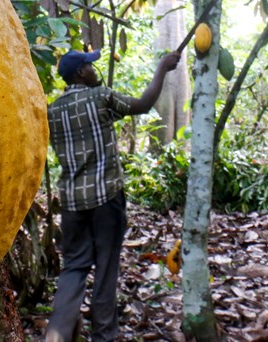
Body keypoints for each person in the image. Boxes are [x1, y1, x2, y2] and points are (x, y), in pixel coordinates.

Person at [45, 49, 181, 342]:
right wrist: (162, 68)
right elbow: (144, 105)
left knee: (74, 267)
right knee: (106, 268)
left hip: (71, 203)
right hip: (106, 198)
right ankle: (103, 336)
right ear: (81, 73)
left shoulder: (52, 111)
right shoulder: (100, 97)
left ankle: (57, 330)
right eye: (90, 66)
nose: (95, 70)